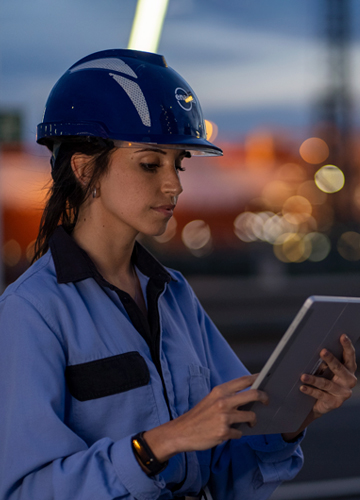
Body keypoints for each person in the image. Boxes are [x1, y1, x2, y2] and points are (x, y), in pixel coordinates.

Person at [0, 49, 356, 500]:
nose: (175, 184)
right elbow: (24, 490)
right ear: (85, 167)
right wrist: (164, 442)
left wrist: (296, 414)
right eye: (151, 164)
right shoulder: (32, 312)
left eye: (179, 163)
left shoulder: (176, 296)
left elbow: (229, 467)